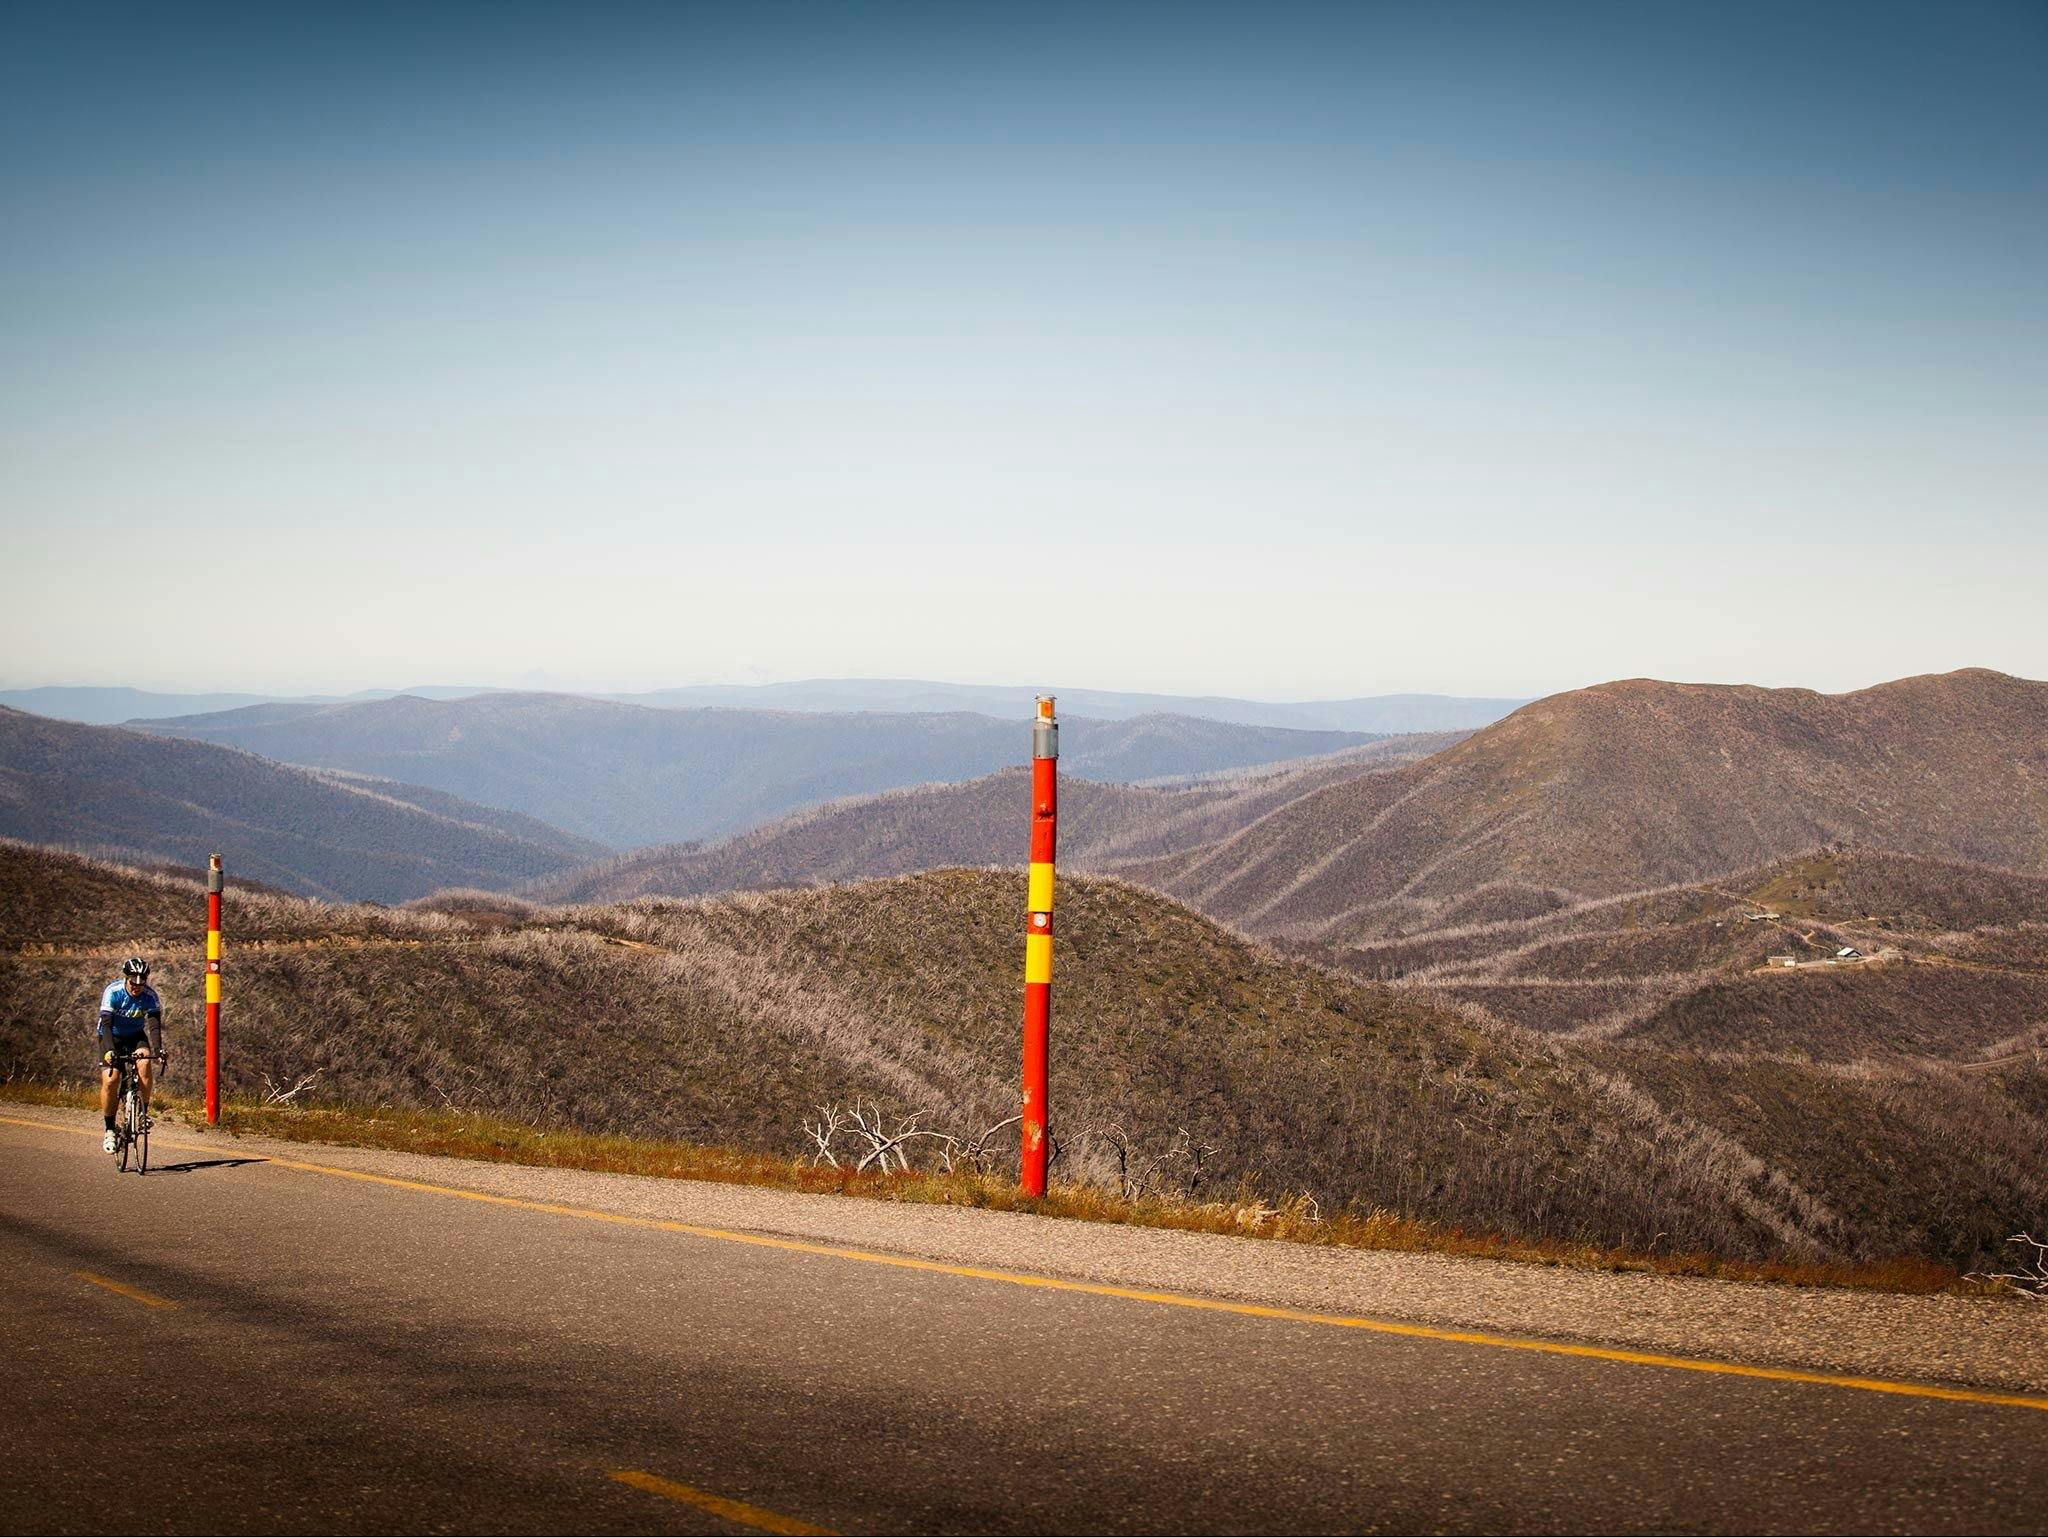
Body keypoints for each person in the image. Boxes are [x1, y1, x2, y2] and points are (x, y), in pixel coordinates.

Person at [98, 957, 163, 1153]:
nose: (137, 987)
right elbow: (106, 1025)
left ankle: (142, 1113)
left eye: (141, 983)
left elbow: (154, 1026)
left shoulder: (150, 996)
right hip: (111, 1037)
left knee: (144, 1062)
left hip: (135, 1036)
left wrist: (159, 1050)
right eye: (133, 983)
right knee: (111, 1080)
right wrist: (110, 1050)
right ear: (126, 978)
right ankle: (110, 1129)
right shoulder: (113, 992)